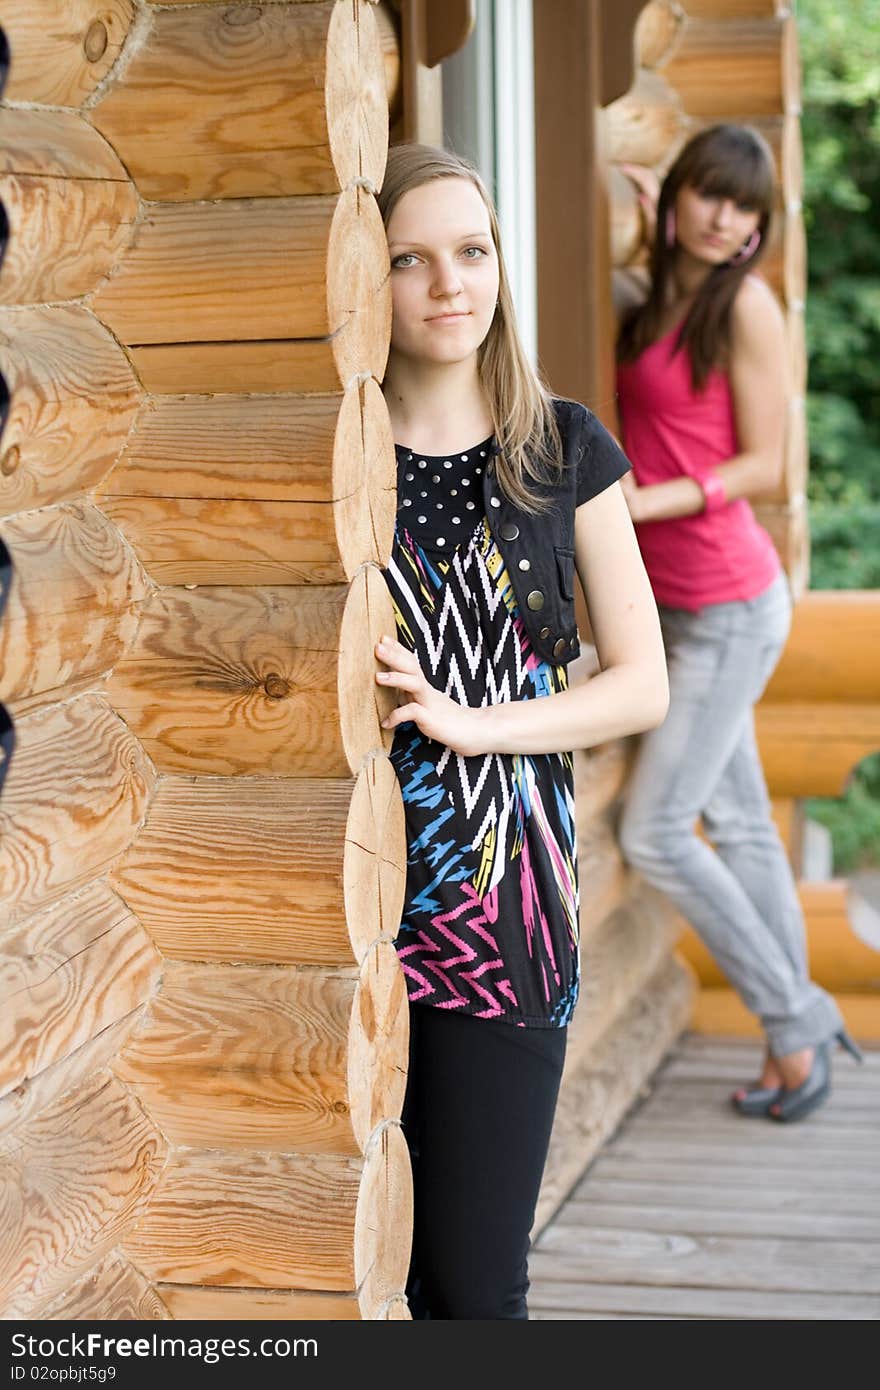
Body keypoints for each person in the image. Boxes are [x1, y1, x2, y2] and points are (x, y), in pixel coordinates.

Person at [374, 142, 668, 1320]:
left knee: (472, 1280)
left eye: (472, 251)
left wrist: (473, 721)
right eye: (411, 259)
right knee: (356, 1273)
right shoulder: (335, 458)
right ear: (366, 276)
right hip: (341, 909)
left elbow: (641, 680)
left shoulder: (564, 448)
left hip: (502, 910)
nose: (450, 282)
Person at [615, 124, 863, 1126]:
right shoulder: (652, 295)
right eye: (710, 194)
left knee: (655, 829)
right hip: (673, 606)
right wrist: (630, 223)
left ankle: (795, 1019)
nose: (725, 219)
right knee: (749, 828)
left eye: (744, 207)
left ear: (759, 227)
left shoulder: (746, 309)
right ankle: (791, 1044)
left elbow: (768, 466)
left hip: (725, 604)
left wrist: (646, 503)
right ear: (676, 196)